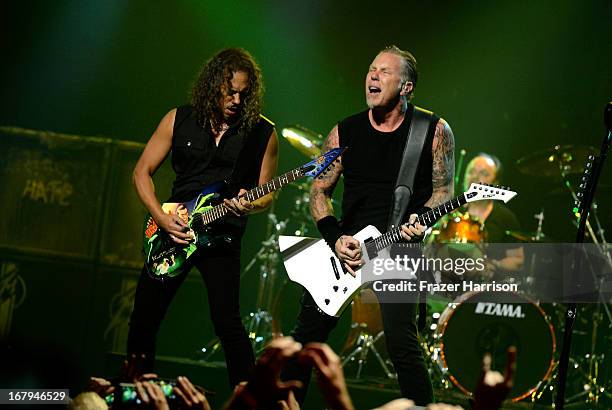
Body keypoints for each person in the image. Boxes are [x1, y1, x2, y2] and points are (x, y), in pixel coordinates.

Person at [283, 45, 455, 405]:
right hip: (347, 251)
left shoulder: (434, 130)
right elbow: (319, 191)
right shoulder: (344, 131)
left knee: (402, 343)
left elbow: (443, 191)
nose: (372, 76)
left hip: (400, 248)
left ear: (406, 86)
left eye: (384, 71)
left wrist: (420, 219)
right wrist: (334, 238)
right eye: (371, 69)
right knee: (304, 340)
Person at [127, 48, 278, 388]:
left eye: (244, 93)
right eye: (230, 92)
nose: (237, 100)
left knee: (228, 323)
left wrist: (249, 204)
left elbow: (267, 193)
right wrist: (160, 218)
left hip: (221, 235)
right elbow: (141, 172)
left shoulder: (262, 134)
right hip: (172, 230)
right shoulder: (178, 118)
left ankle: (250, 400)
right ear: (213, 86)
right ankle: (137, 393)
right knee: (144, 319)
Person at [462, 153, 523, 275]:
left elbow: (518, 260)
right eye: (471, 171)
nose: (475, 177)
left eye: (484, 174)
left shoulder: (505, 218)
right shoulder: (450, 212)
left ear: (495, 184)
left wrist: (494, 265)